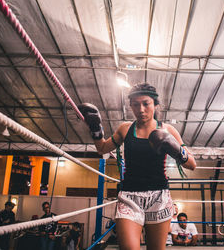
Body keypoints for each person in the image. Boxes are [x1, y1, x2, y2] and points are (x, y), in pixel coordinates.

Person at [78, 83, 196, 250]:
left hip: (159, 197)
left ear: (155, 105)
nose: (140, 109)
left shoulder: (168, 129)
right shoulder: (125, 129)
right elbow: (102, 149)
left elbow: (192, 164)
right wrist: (96, 129)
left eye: (146, 103)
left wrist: (175, 148)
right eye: (135, 104)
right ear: (131, 106)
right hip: (129, 197)